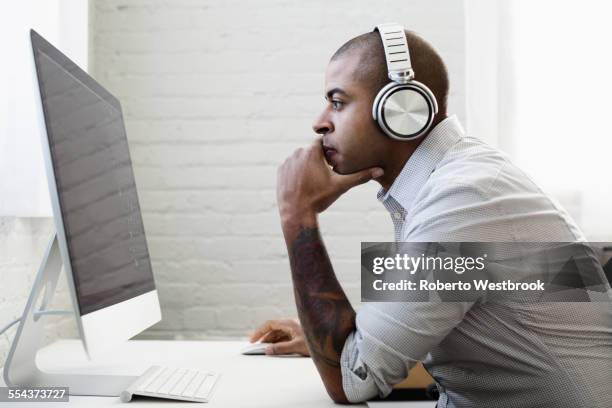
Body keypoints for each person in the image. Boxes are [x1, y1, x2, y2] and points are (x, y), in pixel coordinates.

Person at [251, 26, 612, 407]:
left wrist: (297, 214)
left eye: (338, 102)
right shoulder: (461, 179)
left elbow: (351, 383)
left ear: (401, 110)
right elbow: (455, 336)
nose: (320, 121)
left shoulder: (464, 196)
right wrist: (332, 342)